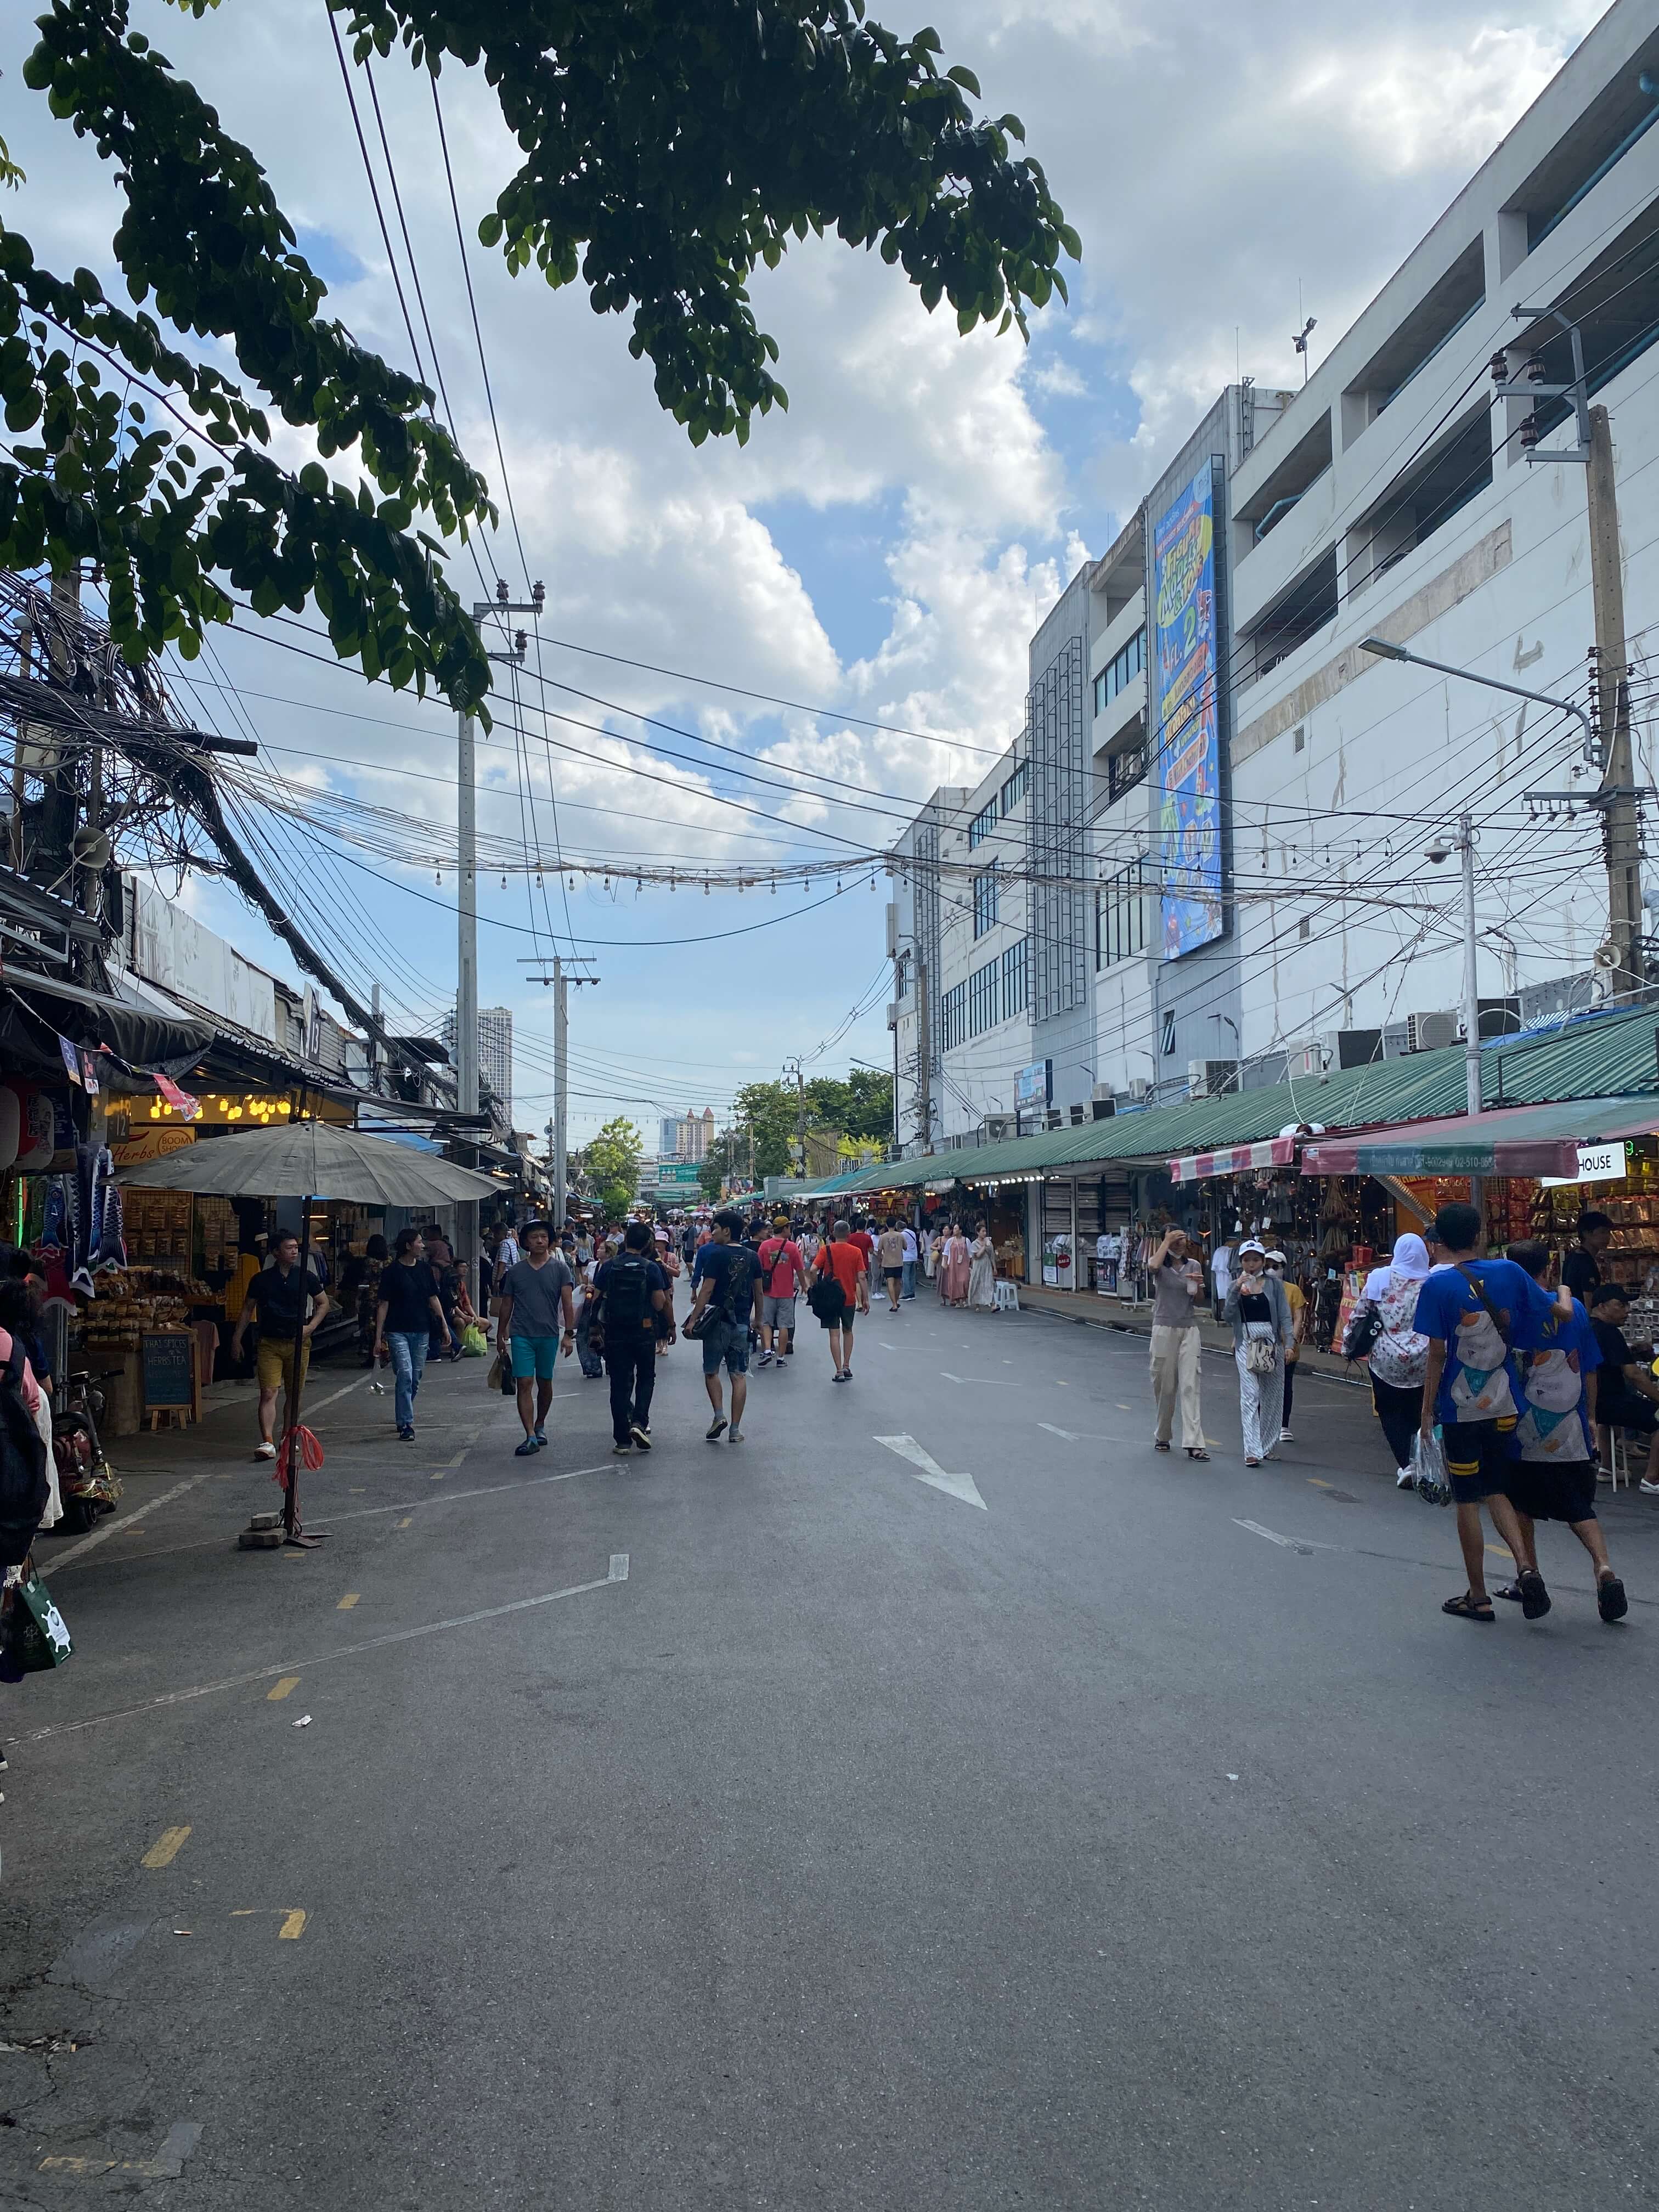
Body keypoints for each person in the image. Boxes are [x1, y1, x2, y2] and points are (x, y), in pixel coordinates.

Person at [1414, 1200, 1575, 1624]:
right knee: (1498, 1487)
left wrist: (1427, 1412)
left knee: (1468, 1499)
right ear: (1479, 1236)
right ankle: (1526, 1568)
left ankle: (1479, 1596)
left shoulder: (1437, 1287)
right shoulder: (1510, 1272)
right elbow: (1559, 1312)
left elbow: (1436, 1355)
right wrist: (1566, 1290)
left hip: (1461, 1408)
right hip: (1506, 1404)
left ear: (1440, 1242)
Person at [1499, 1242, 1627, 1622]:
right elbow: (1590, 1370)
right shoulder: (1578, 1311)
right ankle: (1603, 1568)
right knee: (1578, 1506)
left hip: (1522, 1425)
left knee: (1521, 1503)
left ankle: (1529, 1574)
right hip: (1571, 1426)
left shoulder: (1509, 1313)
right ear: (1548, 1269)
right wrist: (1590, 1418)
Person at [230, 1230, 329, 1462]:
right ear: (276, 1252)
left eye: (296, 1247)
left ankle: (288, 1435)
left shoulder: (305, 1276)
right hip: (270, 1342)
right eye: (289, 1248)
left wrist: (311, 1326)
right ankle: (268, 1441)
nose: (295, 1251)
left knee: (294, 1393)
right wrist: (237, 1339)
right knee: (269, 1391)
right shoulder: (261, 1280)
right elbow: (248, 1309)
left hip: (299, 1341)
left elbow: (323, 1303)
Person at [1355, 1232, 1432, 1487]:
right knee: (1420, 1410)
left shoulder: (1379, 1277)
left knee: (1389, 1411)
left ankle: (1407, 1464)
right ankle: (1424, 1461)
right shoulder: (1433, 1280)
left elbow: (1361, 1314)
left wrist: (1348, 1344)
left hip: (1385, 1358)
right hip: (1425, 1358)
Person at [495, 1221, 577, 1456]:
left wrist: (569, 1334)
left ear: (549, 1241)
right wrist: (501, 1333)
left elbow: (567, 1303)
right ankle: (530, 1435)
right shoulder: (516, 1272)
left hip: (549, 1334)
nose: (539, 1241)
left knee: (545, 1383)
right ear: (525, 1242)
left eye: (543, 1237)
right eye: (534, 1237)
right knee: (524, 1383)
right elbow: (507, 1304)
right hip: (521, 1334)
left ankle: (540, 1424)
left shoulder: (560, 1269)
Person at [590, 1221, 670, 1453]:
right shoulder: (651, 1268)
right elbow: (659, 1303)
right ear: (647, 1244)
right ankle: (639, 1422)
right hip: (644, 1331)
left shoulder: (609, 1266)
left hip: (615, 1332)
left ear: (625, 1241)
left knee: (619, 1383)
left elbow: (596, 1299)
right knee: (646, 1377)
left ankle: (622, 1440)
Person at [372, 1227, 450, 1441]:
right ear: (408, 1246)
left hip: (422, 1330)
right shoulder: (392, 1272)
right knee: (405, 1374)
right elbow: (383, 1304)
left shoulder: (425, 1270)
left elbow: (433, 1298)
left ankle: (403, 1413)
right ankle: (406, 1423)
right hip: (397, 1330)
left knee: (414, 1377)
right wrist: (378, 1338)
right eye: (418, 1242)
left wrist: (444, 1325)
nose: (423, 1245)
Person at [687, 1208, 758, 1442]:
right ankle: (736, 1430)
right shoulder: (752, 1256)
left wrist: (694, 1319)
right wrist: (758, 1320)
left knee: (711, 1372)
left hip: (717, 1323)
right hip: (741, 1323)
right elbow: (759, 1292)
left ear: (726, 1231)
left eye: (715, 1229)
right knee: (738, 1375)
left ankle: (719, 1415)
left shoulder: (716, 1255)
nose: (712, 1233)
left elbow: (707, 1290)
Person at [1224, 1240, 1295, 1466]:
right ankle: (1252, 1450)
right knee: (1250, 1395)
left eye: (1256, 1260)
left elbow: (1284, 1315)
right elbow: (1228, 1315)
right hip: (1246, 1341)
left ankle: (1268, 1445)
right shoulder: (1235, 1285)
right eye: (1247, 1260)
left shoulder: (1274, 1285)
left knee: (1273, 1396)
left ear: (1263, 1262)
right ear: (1241, 1263)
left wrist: (1289, 1344)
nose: (1251, 1265)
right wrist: (1237, 1290)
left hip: (1270, 1342)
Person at [1586, 1282, 1659, 1491]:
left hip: (1594, 1404)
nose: (1627, 1311)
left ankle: (1607, 1468)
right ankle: (1652, 1479)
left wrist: (1633, 1352)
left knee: (1607, 1421)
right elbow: (1634, 1375)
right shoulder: (1610, 1332)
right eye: (1621, 1305)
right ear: (1602, 1306)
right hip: (1613, 1403)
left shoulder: (1588, 1328)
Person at [1148, 1226, 1206, 1460]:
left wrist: (1198, 1286)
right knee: (1165, 1385)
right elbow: (1152, 1266)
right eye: (1175, 1239)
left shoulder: (1193, 1265)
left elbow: (1200, 1299)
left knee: (1191, 1385)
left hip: (1189, 1329)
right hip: (1164, 1328)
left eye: (1182, 1238)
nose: (1180, 1243)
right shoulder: (1160, 1266)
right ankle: (1163, 1434)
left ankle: (1194, 1442)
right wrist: (1166, 1241)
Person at [812, 1217, 867, 1383]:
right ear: (849, 1234)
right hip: (849, 1297)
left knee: (834, 1334)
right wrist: (865, 1299)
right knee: (848, 1331)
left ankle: (838, 1370)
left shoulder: (826, 1250)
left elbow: (813, 1269)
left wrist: (816, 1287)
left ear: (834, 1233)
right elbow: (862, 1277)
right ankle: (847, 1364)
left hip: (830, 1298)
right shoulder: (856, 1252)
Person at [1264, 1252, 1305, 1441]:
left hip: (1286, 1346)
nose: (1271, 1270)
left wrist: (1292, 1341)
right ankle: (1263, 1423)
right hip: (1263, 1345)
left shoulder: (1293, 1290)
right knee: (1262, 1386)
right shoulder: (1258, 1287)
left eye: (1276, 1266)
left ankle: (1283, 1425)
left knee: (1285, 1386)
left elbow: (1298, 1319)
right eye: (1268, 1266)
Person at [756, 1215, 804, 1368]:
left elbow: (759, 1269)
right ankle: (781, 1358)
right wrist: (806, 1287)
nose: (790, 1229)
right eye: (789, 1227)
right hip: (787, 1293)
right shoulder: (792, 1247)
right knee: (784, 1326)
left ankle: (768, 1351)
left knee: (766, 1323)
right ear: (784, 1229)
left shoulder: (764, 1246)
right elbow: (800, 1270)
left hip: (768, 1292)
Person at [1562, 1210, 1612, 1308]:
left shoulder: (1574, 1256)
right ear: (1587, 1234)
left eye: (1608, 1232)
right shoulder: (1585, 1263)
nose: (1608, 1237)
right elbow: (1589, 1301)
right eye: (1603, 1232)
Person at [877, 1218, 906, 1313]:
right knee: (898, 1282)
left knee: (890, 1282)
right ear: (896, 1225)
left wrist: (879, 1262)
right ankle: (896, 1302)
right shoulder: (900, 1235)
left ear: (886, 1225)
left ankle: (894, 1304)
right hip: (899, 1262)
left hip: (887, 1262)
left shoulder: (883, 1236)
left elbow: (880, 1251)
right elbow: (906, 1247)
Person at [938, 1221, 970, 1307]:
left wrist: (971, 1265)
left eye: (956, 1229)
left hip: (964, 1264)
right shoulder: (951, 1241)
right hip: (953, 1264)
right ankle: (958, 1301)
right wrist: (945, 1263)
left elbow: (970, 1254)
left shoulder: (966, 1240)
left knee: (964, 1281)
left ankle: (964, 1299)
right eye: (954, 1229)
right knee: (954, 1282)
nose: (954, 1230)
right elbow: (946, 1253)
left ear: (961, 1231)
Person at [968, 1221, 996, 1310]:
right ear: (978, 1233)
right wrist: (984, 1246)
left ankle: (992, 1305)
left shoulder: (989, 1243)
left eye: (985, 1231)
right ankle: (977, 1305)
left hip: (987, 1265)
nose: (985, 1233)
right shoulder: (974, 1244)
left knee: (989, 1284)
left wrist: (994, 1267)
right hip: (978, 1266)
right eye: (983, 1231)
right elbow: (977, 1256)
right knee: (977, 1283)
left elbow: (992, 1256)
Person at [1211, 1238, 1235, 1321]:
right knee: (1226, 1294)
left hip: (1220, 1275)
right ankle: (1225, 1314)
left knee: (1223, 1294)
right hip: (1227, 1274)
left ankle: (1224, 1314)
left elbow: (1215, 1266)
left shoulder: (1219, 1250)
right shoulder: (1230, 1251)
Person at [900, 1221, 918, 1300]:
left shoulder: (902, 1234)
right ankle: (912, 1293)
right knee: (912, 1276)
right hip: (914, 1256)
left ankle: (907, 1294)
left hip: (906, 1257)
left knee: (905, 1276)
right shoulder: (912, 1233)